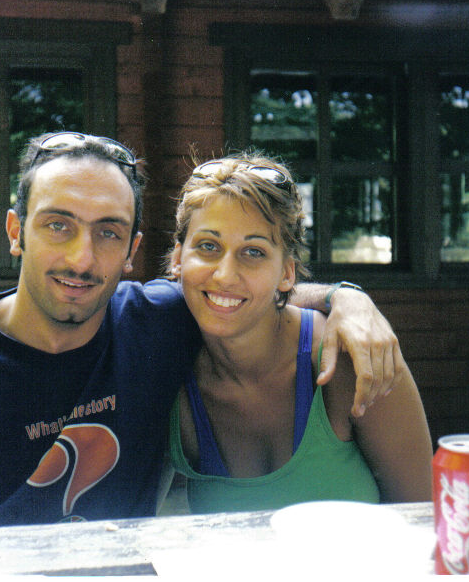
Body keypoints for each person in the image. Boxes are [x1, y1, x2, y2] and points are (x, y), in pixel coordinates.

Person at [0, 132, 408, 535]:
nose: (81, 259)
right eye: (57, 225)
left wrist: (345, 299)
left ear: (134, 251)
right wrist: (343, 297)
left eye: (108, 233)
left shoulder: (154, 324)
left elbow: (241, 294)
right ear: (15, 231)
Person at [167, 153, 433, 513]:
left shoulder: (349, 357)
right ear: (178, 258)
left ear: (286, 274)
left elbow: (424, 519)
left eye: (253, 252)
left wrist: (347, 295)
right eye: (208, 246)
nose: (225, 275)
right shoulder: (168, 374)